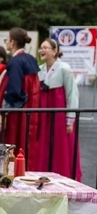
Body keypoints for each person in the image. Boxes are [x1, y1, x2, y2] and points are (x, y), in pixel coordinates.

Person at [0, 28, 41, 167]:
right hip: (28, 109)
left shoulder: (16, 62)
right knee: (25, 142)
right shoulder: (31, 59)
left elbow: (14, 90)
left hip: (16, 112)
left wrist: (3, 112)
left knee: (11, 142)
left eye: (7, 39)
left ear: (13, 42)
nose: (6, 42)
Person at [35, 39, 81, 180]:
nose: (42, 50)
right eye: (41, 47)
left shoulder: (64, 68)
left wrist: (70, 119)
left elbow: (72, 93)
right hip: (44, 114)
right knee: (43, 144)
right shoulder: (40, 70)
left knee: (60, 145)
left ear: (55, 51)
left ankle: (63, 175)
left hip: (59, 114)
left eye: (46, 48)